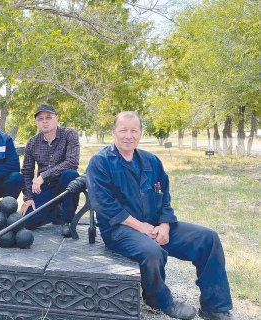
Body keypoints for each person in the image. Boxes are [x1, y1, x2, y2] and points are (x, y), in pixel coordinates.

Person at [67, 111, 234, 320]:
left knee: (208, 238)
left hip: (155, 226)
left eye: (134, 131)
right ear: (113, 132)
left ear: (140, 133)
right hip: (120, 229)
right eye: (123, 130)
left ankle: (215, 307)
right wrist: (142, 228)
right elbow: (105, 206)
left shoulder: (152, 161)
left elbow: (164, 197)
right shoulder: (100, 162)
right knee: (153, 253)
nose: (128, 136)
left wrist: (164, 225)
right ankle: (159, 301)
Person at [20, 104, 80, 235]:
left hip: (64, 183)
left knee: (71, 175)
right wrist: (28, 197)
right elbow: (26, 172)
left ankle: (67, 220)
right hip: (45, 187)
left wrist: (43, 176)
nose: (44, 121)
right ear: (36, 122)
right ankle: (55, 210)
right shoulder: (32, 142)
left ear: (56, 118)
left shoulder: (70, 134)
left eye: (48, 117)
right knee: (27, 221)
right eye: (40, 119)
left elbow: (72, 162)